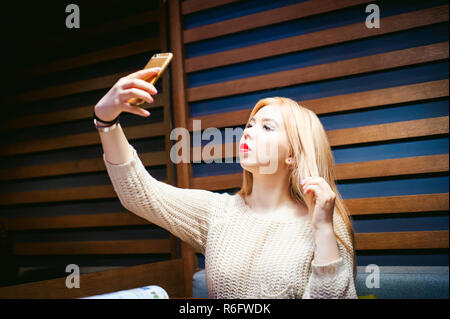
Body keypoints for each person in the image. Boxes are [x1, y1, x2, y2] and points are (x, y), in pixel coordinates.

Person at [93, 67, 358, 299]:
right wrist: (106, 121)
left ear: (292, 154)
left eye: (267, 127)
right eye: (250, 124)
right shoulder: (218, 212)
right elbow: (140, 194)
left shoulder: (324, 224)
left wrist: (323, 229)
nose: (249, 131)